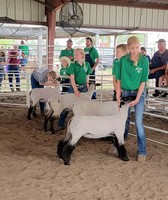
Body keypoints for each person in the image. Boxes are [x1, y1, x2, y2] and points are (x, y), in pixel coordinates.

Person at [116, 36, 149, 162]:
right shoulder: (123, 61)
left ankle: (142, 151)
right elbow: (119, 79)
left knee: (139, 122)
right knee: (122, 120)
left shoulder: (144, 61)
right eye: (132, 48)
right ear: (128, 48)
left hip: (138, 93)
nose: (135, 50)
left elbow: (143, 82)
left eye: (137, 47)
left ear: (140, 47)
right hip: (125, 92)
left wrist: (137, 99)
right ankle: (119, 145)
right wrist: (118, 96)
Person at [55, 48, 92, 131]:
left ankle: (82, 125)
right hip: (74, 87)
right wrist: (75, 90)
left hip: (83, 88)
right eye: (74, 54)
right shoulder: (72, 65)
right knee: (66, 105)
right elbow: (72, 79)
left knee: (83, 106)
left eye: (76, 54)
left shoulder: (87, 64)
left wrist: (87, 83)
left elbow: (87, 75)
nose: (74, 56)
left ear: (82, 55)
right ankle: (60, 124)